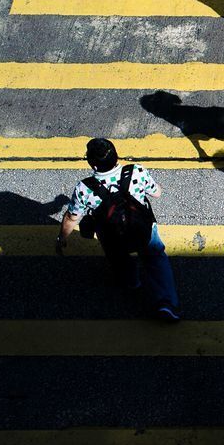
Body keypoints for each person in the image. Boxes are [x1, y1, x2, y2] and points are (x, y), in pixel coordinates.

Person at [55, 138, 181, 321]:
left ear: (93, 165)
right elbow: (157, 193)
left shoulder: (84, 188)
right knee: (155, 259)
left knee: (119, 260)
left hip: (113, 236)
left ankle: (132, 282)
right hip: (143, 229)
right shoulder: (136, 171)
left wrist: (62, 238)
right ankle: (166, 304)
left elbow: (71, 218)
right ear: (116, 157)